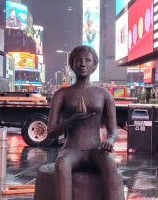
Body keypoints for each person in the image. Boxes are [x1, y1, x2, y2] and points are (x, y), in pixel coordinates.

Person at [48, 45, 123, 200]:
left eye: (87, 60)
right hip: (72, 149)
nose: (83, 64)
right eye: (78, 60)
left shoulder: (104, 94)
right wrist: (70, 121)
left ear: (94, 65)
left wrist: (109, 140)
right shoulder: (62, 94)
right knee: (61, 164)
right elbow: (51, 132)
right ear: (72, 64)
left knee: (110, 163)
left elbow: (113, 131)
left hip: (95, 149)